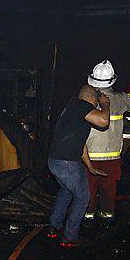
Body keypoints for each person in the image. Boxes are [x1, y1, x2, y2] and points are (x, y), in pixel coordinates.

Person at [46, 85, 110, 248]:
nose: (97, 103)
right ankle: (69, 237)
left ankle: (54, 226)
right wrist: (106, 105)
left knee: (66, 192)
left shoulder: (73, 108)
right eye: (96, 99)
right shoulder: (81, 106)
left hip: (57, 161)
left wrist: (90, 167)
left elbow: (81, 145)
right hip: (66, 163)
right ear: (92, 98)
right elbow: (103, 121)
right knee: (82, 197)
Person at [84, 60, 130, 220]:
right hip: (112, 156)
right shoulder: (120, 100)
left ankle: (88, 217)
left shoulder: (85, 100)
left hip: (88, 156)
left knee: (88, 189)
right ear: (112, 80)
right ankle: (107, 217)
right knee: (109, 189)